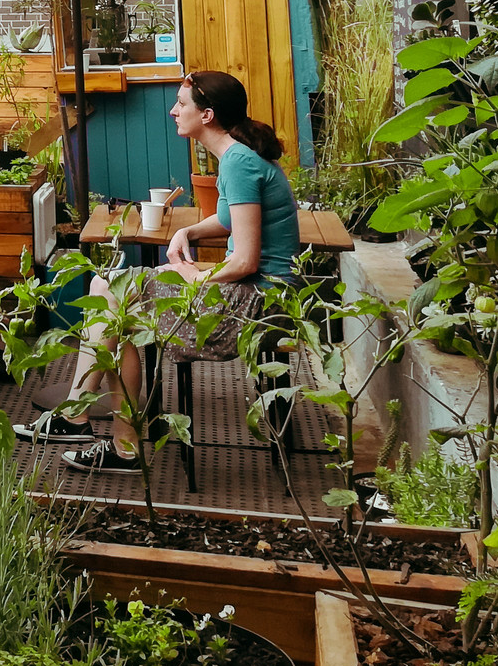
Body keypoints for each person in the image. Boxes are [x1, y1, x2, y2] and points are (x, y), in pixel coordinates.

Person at [27, 69, 301, 474]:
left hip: (256, 306)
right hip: (257, 293)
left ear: (207, 115)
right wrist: (188, 230)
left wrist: (194, 276)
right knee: (114, 299)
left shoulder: (238, 163)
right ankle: (93, 427)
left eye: (182, 104)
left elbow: (244, 260)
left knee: (112, 296)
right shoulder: (237, 155)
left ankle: (100, 432)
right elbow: (234, 219)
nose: (173, 112)